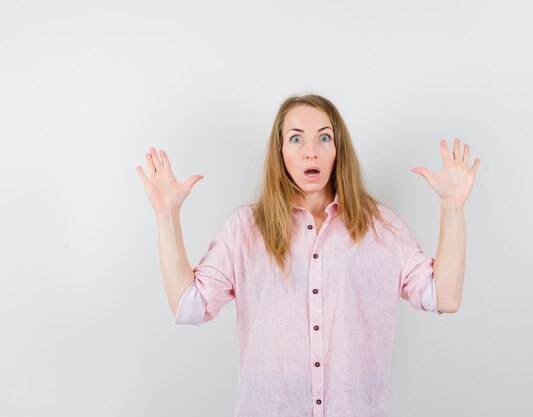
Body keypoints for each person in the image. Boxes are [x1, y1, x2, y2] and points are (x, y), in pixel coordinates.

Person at [135, 94, 480, 417]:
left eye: (324, 138)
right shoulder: (244, 229)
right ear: (280, 152)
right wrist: (167, 216)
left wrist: (452, 207)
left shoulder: (381, 228)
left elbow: (444, 296)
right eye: (296, 138)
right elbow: (189, 305)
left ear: (338, 150)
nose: (310, 151)